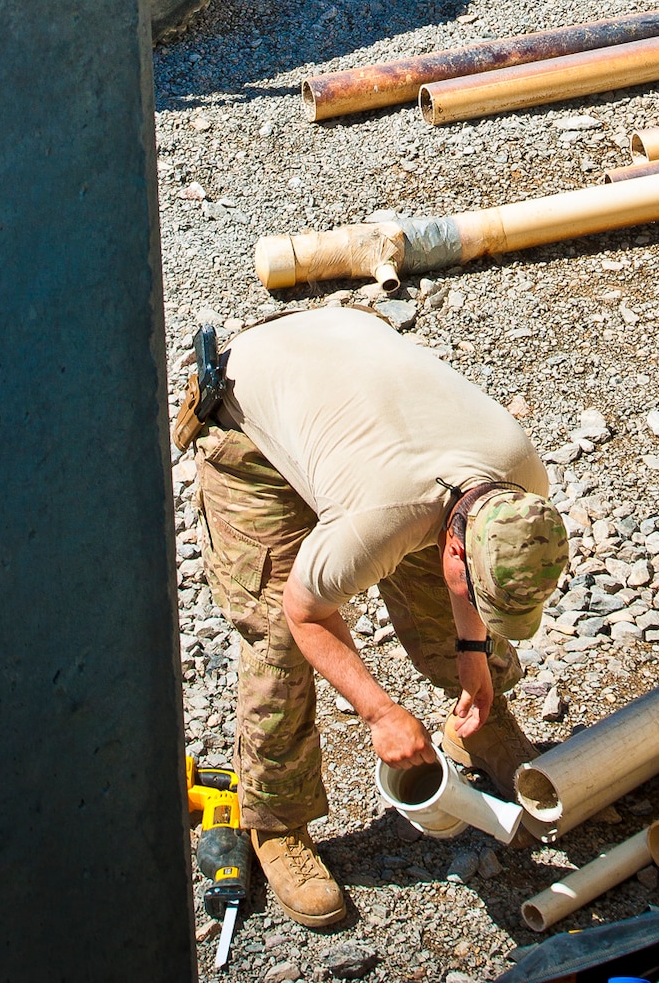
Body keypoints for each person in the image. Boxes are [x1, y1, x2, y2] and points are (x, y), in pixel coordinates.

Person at [191, 304, 569, 929]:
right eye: (467, 574)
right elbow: (306, 612)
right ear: (458, 544)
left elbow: (462, 579)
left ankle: (482, 720)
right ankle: (276, 822)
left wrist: (475, 661)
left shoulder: (521, 479)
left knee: (433, 587)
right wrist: (380, 712)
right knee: (280, 638)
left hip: (347, 374)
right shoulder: (380, 518)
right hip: (248, 415)